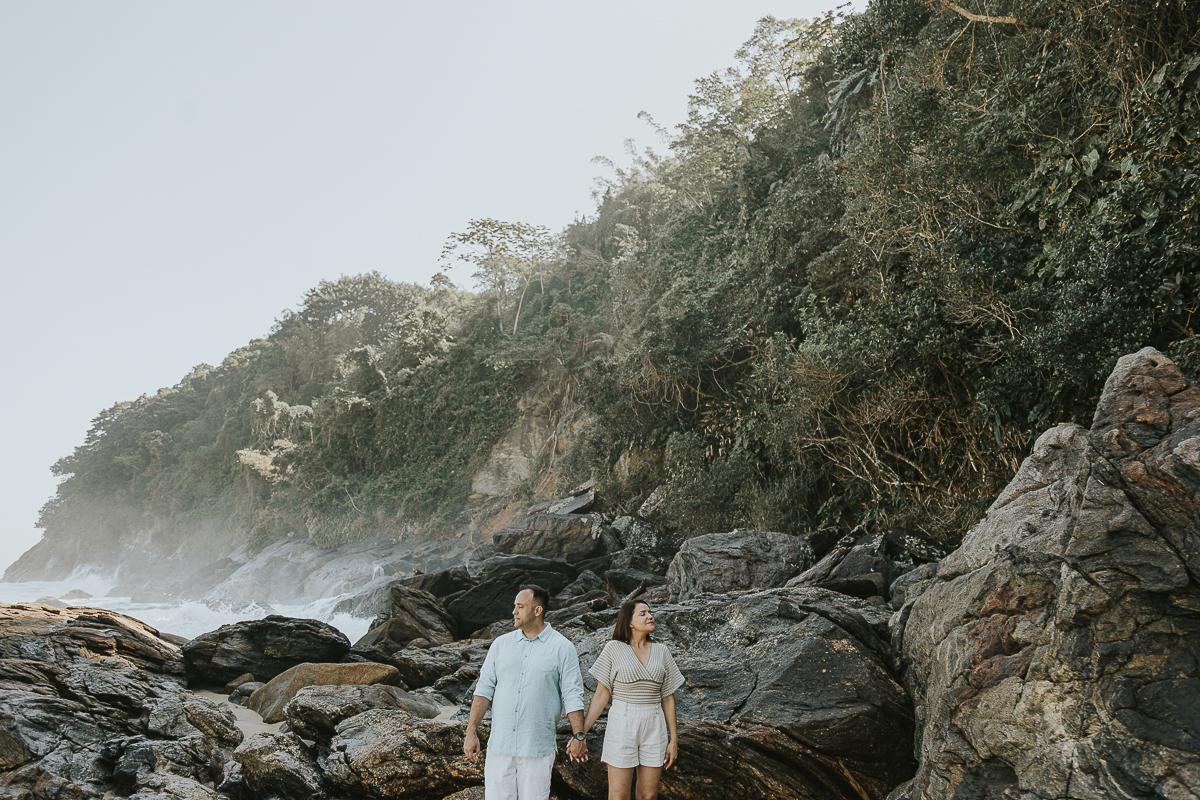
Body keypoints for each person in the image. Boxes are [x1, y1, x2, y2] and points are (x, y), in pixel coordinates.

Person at [464, 585, 589, 800]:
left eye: (520, 607)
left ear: (537, 610)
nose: (514, 611)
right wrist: (471, 732)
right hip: (500, 746)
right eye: (515, 606)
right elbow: (484, 689)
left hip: (537, 748)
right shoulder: (500, 645)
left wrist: (579, 736)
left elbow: (572, 694)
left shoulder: (562, 647)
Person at [581, 599, 685, 800]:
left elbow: (667, 698)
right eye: (643, 613)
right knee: (618, 796)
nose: (650, 616)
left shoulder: (662, 651)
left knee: (648, 796)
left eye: (650, 612)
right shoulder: (613, 648)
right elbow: (602, 695)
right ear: (629, 621)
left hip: (654, 723)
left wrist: (674, 740)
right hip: (622, 721)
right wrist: (581, 733)